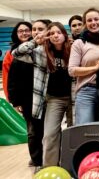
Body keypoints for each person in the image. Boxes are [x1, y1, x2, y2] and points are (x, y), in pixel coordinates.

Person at [13, 22, 72, 168]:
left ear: (64, 34)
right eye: (51, 33)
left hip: (74, 98)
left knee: (73, 132)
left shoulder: (73, 49)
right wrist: (35, 41)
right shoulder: (41, 52)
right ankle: (50, 168)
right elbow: (16, 53)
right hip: (54, 99)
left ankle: (72, 166)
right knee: (49, 135)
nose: (55, 36)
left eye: (58, 32)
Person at [8, 19, 50, 171]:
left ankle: (47, 157)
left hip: (46, 97)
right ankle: (36, 160)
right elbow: (11, 78)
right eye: (34, 29)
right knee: (33, 132)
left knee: (47, 130)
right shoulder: (20, 52)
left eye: (39, 29)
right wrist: (15, 101)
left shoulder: (47, 48)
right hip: (27, 98)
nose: (33, 32)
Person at [68, 7, 99, 124]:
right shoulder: (79, 43)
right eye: (89, 20)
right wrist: (95, 68)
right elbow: (72, 70)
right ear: (85, 24)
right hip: (87, 91)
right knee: (85, 131)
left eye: (96, 19)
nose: (93, 23)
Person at [3, 22, 32, 102]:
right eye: (20, 31)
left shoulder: (40, 48)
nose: (24, 33)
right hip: (22, 96)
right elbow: (7, 77)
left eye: (27, 30)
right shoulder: (10, 53)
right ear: (16, 34)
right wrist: (11, 99)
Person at [66, 15, 84, 126]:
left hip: (86, 81)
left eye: (79, 24)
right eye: (74, 25)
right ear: (70, 28)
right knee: (72, 117)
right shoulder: (66, 43)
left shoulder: (90, 41)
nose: (77, 27)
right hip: (70, 83)